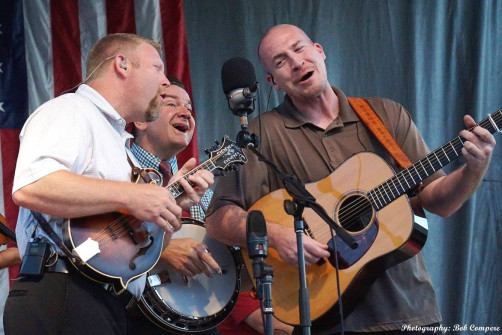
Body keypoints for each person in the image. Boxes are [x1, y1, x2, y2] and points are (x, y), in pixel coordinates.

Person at [205, 24, 496, 335]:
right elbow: (219, 219)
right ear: (273, 82)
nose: (296, 62)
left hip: (411, 311)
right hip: (329, 320)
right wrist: (278, 236)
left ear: (319, 50)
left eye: (300, 48)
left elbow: (439, 201)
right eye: (280, 61)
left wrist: (473, 169)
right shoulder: (261, 136)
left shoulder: (386, 115)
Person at [4, 33, 212, 335]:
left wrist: (166, 210)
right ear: (122, 65)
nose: (166, 81)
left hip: (105, 303)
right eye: (157, 68)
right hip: (65, 292)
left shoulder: (119, 145)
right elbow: (32, 184)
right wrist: (134, 196)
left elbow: (135, 251)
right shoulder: (71, 109)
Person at [129, 76, 219, 334]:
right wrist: (162, 250)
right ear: (142, 120)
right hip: (134, 316)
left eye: (189, 108)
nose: (185, 113)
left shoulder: (201, 183)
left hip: (197, 313)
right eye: (170, 104)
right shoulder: (117, 170)